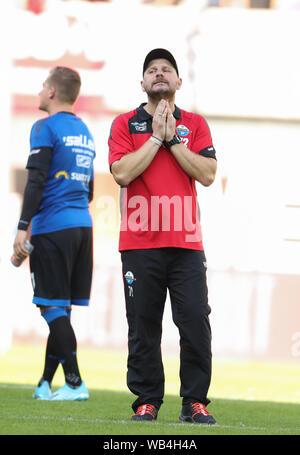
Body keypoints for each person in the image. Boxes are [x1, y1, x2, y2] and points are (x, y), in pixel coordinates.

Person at [108, 49, 217, 424]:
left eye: (166, 70)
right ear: (142, 83)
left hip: (186, 243)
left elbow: (207, 173)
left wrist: (173, 141)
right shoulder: (124, 124)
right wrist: (155, 139)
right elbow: (121, 173)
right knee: (143, 325)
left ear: (178, 82)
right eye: (152, 70)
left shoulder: (196, 124)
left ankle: (195, 402)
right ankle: (147, 400)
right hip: (139, 243)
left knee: (194, 322)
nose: (159, 74)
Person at [13, 66, 95, 401]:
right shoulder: (85, 132)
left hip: (53, 228)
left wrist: (22, 228)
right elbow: (89, 190)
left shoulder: (44, 127)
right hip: (83, 227)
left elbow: (35, 181)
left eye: (42, 85)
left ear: (51, 92)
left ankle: (74, 382)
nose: (38, 91)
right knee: (61, 310)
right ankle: (46, 383)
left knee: (50, 308)